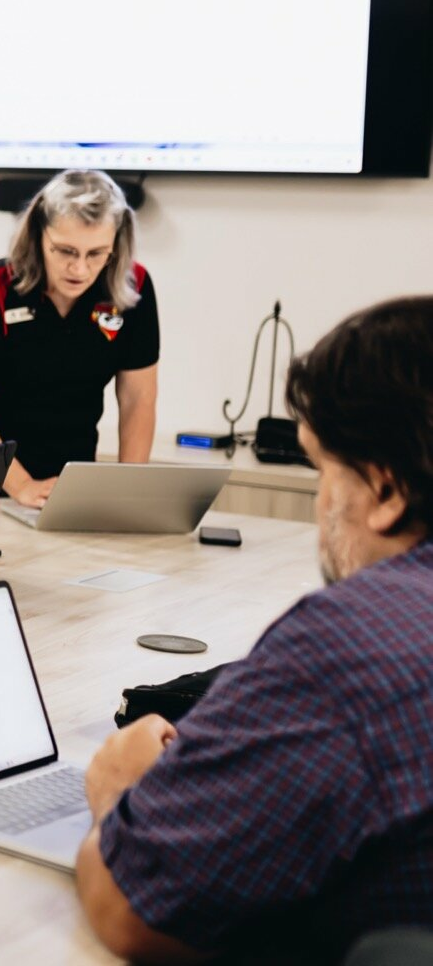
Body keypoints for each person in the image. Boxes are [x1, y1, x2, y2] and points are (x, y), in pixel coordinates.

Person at [76, 295, 433, 963]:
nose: (323, 500)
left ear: (385, 493)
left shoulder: (350, 644)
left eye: (322, 469)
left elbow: (135, 911)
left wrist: (122, 790)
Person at [0, 169, 159, 507]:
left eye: (97, 253)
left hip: (65, 477)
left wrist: (128, 495)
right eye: (66, 251)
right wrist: (22, 485)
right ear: (39, 235)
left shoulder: (134, 288)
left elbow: (138, 400)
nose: (80, 269)